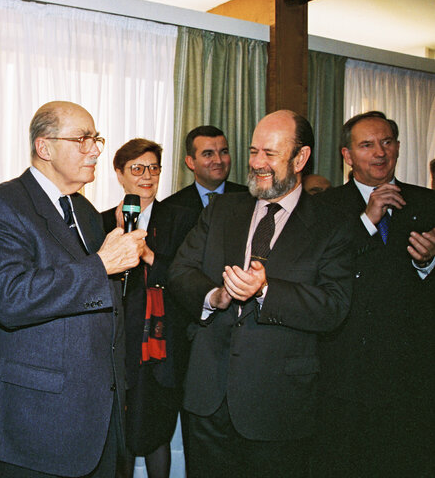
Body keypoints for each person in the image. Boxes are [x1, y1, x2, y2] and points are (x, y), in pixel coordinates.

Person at [0, 101, 146, 478]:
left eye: (96, 139)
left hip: (94, 422)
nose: (95, 150)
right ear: (45, 148)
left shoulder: (85, 212)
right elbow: (11, 298)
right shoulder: (2, 205)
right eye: (82, 139)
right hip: (30, 424)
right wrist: (102, 264)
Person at [167, 110, 353, 478]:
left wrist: (266, 291)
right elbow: (180, 272)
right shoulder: (222, 209)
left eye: (270, 154)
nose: (256, 164)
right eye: (253, 152)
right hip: (208, 400)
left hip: (279, 408)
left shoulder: (331, 226)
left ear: (300, 158)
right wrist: (215, 296)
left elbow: (334, 307)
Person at [314, 111, 435, 477]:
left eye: (387, 142)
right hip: (344, 370)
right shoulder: (322, 207)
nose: (380, 152)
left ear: (398, 147)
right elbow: (319, 274)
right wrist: (367, 220)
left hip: (409, 371)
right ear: (347, 156)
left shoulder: (426, 203)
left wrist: (427, 264)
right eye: (367, 145)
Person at [101, 139, 196, 478]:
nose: (147, 176)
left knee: (157, 429)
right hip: (117, 345)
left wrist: (148, 256)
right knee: (120, 434)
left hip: (163, 345)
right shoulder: (100, 222)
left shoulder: (183, 219)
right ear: (119, 175)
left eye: (153, 168)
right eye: (136, 169)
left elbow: (191, 280)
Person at [163, 125, 247, 217]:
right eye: (208, 154)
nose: (218, 160)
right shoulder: (171, 207)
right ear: (190, 162)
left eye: (224, 152)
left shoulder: (249, 198)